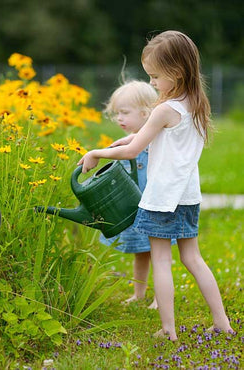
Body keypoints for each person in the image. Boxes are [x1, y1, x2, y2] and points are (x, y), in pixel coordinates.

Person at [78, 30, 234, 341]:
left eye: (155, 76)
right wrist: (130, 138)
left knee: (161, 260)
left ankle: (168, 329)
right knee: (193, 258)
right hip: (188, 196)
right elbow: (158, 140)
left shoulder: (164, 109)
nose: (151, 83)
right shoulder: (194, 103)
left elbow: (133, 151)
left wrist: (95, 152)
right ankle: (222, 322)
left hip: (162, 198)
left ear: (175, 73)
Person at [99, 80, 160, 309]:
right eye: (117, 113)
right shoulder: (130, 141)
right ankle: (139, 293)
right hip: (136, 208)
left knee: (157, 253)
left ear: (146, 113)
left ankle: (159, 297)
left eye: (124, 112)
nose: (119, 118)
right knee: (141, 252)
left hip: (153, 205)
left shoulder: (153, 139)